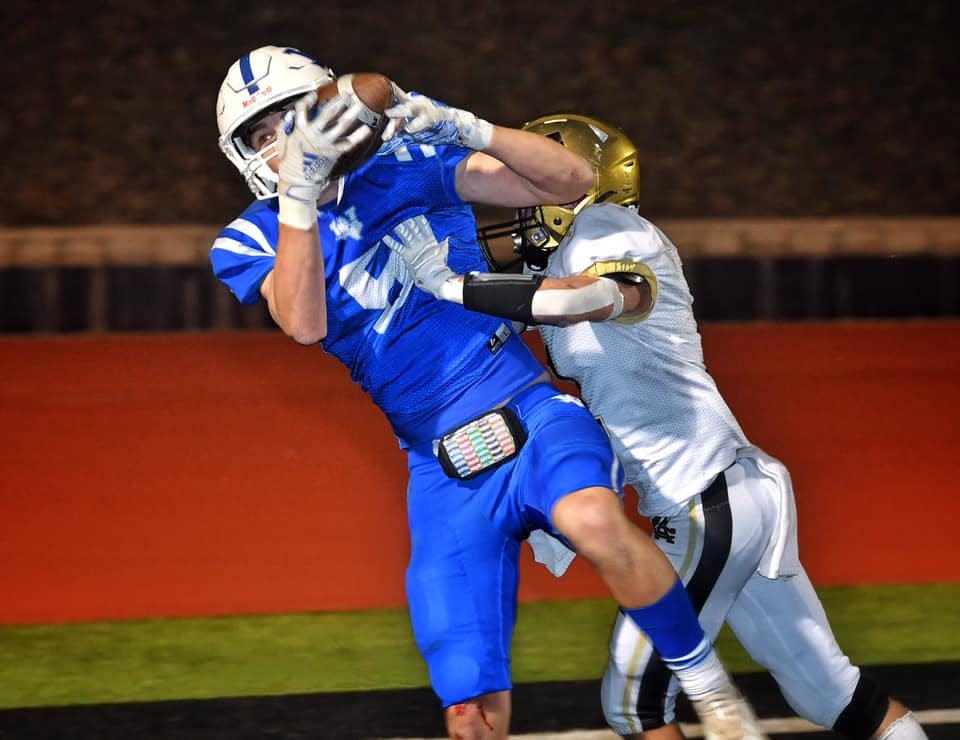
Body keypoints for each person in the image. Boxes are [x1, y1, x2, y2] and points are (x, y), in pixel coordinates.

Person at [209, 47, 766, 740]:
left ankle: (712, 694)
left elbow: (568, 181)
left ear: (325, 114)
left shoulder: (403, 168)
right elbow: (301, 323)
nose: (276, 144)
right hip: (439, 466)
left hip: (528, 406)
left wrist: (458, 123)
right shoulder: (248, 238)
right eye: (258, 136)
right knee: (470, 713)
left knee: (595, 523)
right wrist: (297, 196)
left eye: (286, 122)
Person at [386, 113, 929, 740]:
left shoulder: (607, 230)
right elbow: (519, 315)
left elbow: (587, 298)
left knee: (637, 707)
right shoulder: (576, 249)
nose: (525, 200)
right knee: (829, 691)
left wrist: (455, 285)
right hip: (728, 493)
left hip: (707, 501)